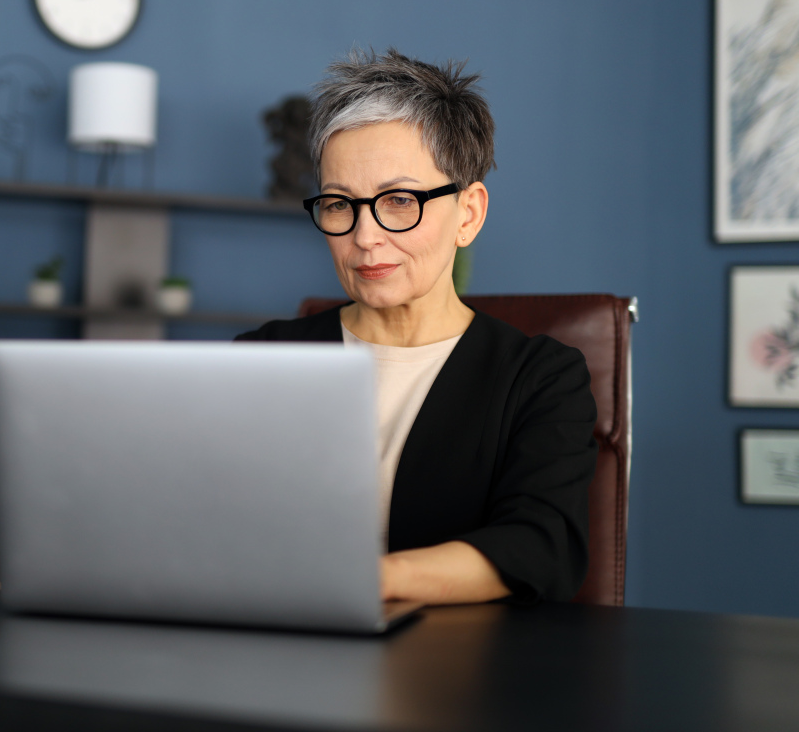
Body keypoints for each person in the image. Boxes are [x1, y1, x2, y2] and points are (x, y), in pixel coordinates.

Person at [236, 49, 597, 605]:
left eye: (400, 201)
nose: (365, 237)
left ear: (468, 214)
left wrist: (368, 581)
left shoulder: (540, 378)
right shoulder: (262, 360)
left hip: (457, 671)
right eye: (339, 204)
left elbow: (539, 546)